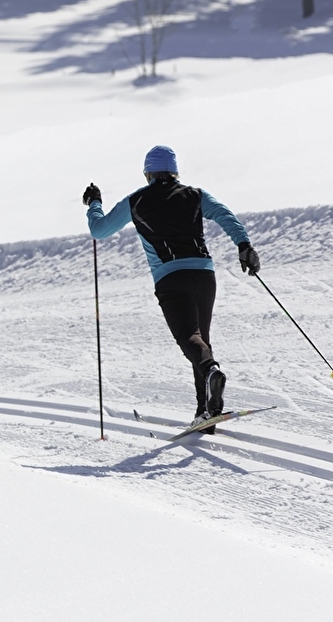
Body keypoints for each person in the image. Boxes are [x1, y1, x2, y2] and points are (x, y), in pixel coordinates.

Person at [82, 145, 261, 431]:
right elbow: (226, 215)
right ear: (174, 171)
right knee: (201, 340)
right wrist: (245, 245)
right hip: (204, 274)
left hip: (171, 278)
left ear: (148, 174)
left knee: (189, 338)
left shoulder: (137, 201)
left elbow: (99, 230)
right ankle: (205, 411)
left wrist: (94, 203)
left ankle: (212, 372)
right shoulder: (196, 195)